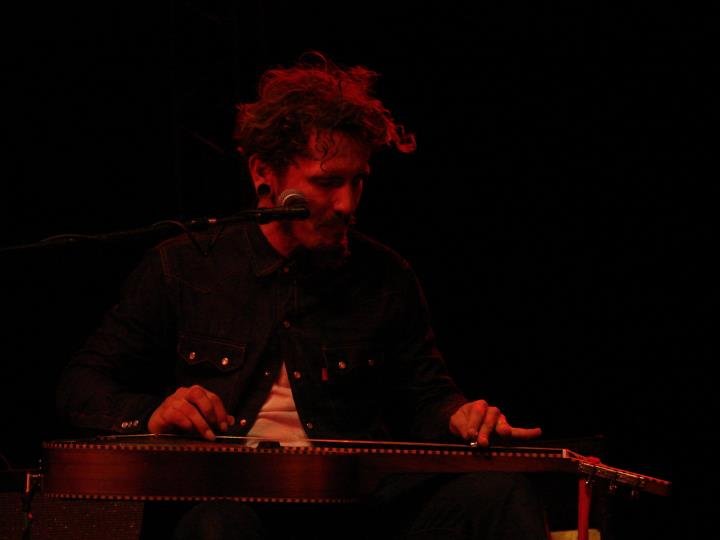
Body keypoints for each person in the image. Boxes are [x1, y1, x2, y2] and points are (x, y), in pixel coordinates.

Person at [56, 51, 548, 540]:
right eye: (327, 182)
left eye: (358, 182)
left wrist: (458, 415)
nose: (347, 204)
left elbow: (426, 397)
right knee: (217, 526)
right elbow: (82, 384)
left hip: (354, 505)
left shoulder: (385, 276)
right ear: (263, 174)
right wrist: (154, 413)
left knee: (499, 493)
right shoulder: (183, 266)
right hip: (231, 503)